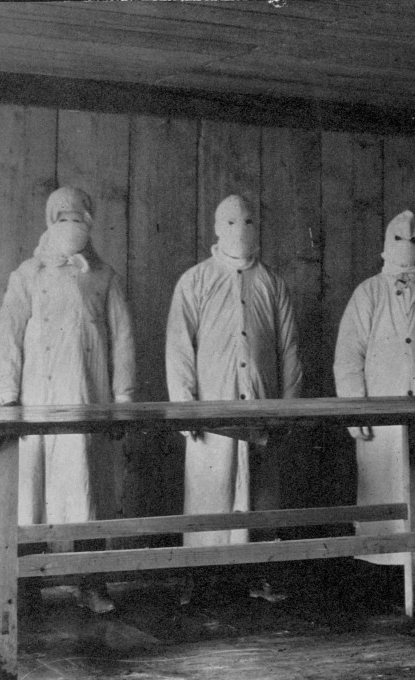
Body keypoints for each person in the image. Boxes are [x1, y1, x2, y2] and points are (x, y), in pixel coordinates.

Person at [0, 186, 136, 615]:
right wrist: (7, 391)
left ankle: (91, 582)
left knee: (86, 490)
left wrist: (123, 396)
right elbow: (8, 333)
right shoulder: (27, 275)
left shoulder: (104, 277)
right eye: (62, 215)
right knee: (31, 493)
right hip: (36, 399)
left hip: (86, 397)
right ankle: (27, 584)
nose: (70, 223)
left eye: (78, 215)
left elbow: (123, 338)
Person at [165, 193, 302, 602]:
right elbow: (178, 347)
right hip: (212, 414)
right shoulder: (196, 280)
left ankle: (260, 574)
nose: (238, 230)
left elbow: (289, 349)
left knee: (261, 496)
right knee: (210, 492)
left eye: (246, 221)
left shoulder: (272, 283)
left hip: (263, 408)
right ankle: (201, 576)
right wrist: (186, 408)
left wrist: (289, 409)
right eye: (229, 222)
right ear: (215, 229)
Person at [333, 209, 415, 560]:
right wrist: (354, 409)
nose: (406, 244)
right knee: (382, 491)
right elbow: (349, 356)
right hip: (381, 419)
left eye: (413, 238)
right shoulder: (368, 294)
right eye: (398, 238)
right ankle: (380, 567)